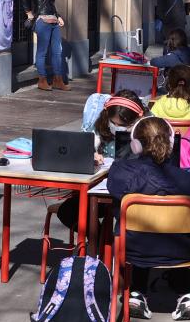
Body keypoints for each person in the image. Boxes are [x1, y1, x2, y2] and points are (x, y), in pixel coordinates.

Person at [108, 117, 190, 322]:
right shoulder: (184, 179)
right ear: (170, 143)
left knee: (135, 230)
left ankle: (135, 293)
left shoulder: (119, 172)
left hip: (133, 250)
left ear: (134, 144)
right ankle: (187, 296)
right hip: (180, 253)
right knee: (177, 234)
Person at [55, 91, 148, 229]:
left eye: (122, 124)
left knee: (120, 215)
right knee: (68, 211)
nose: (116, 127)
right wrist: (91, 154)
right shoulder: (100, 124)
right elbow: (83, 145)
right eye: (113, 122)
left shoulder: (146, 129)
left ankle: (104, 244)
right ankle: (97, 244)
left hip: (131, 190)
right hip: (99, 187)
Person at [21, 0, 68, 90]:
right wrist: (29, 13)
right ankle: (42, 80)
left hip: (53, 21)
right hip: (42, 21)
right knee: (42, 52)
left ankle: (58, 80)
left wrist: (58, 17)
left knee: (57, 51)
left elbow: (50, 4)